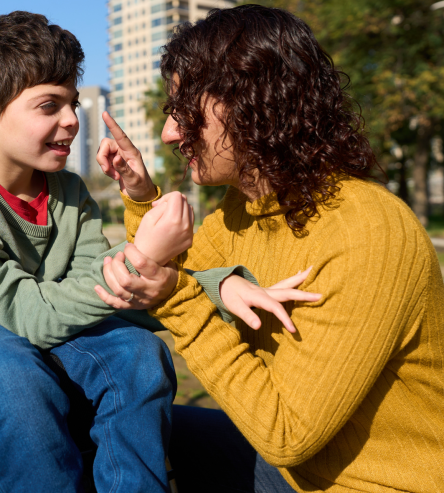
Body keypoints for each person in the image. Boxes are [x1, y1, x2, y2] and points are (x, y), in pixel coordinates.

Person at [0, 11, 311, 493]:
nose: (71, 119)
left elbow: (99, 289)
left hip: (38, 309)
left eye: (71, 103)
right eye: (49, 105)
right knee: (13, 379)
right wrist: (143, 257)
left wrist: (216, 287)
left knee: (138, 355)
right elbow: (28, 315)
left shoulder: (68, 191)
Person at [95, 5, 444, 493]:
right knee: (127, 430)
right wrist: (140, 197)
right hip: (296, 473)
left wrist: (178, 299)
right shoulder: (245, 209)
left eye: (184, 110)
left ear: (250, 102)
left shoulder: (367, 230)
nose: (169, 133)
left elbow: (288, 434)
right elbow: (164, 266)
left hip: (373, 483)